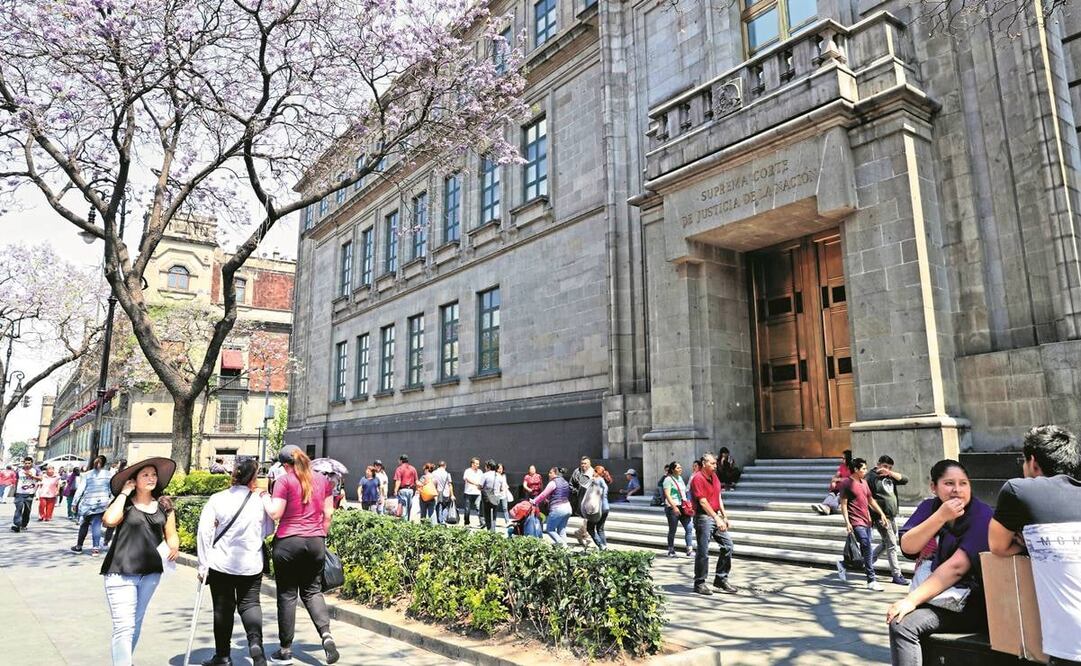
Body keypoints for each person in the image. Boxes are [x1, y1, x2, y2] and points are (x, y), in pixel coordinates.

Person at [989, 425, 1081, 666]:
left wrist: (1029, 545)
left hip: (1070, 644)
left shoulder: (1019, 490)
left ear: (1032, 461)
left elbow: (997, 546)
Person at [886, 459, 993, 666]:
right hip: (939, 596)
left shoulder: (982, 514)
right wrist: (940, 517)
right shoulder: (930, 507)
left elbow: (957, 567)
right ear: (933, 487)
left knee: (903, 624)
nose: (957, 490)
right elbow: (908, 546)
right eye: (949, 483)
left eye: (963, 483)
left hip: (970, 603)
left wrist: (911, 600)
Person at [262, 445, 339, 664]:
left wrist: (264, 497)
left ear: (286, 465)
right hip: (316, 542)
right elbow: (328, 513)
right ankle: (326, 635)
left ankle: (285, 650)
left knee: (287, 595)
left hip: (289, 542)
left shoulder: (284, 481)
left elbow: (275, 512)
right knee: (313, 591)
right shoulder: (323, 480)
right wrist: (321, 536)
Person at [100, 457, 180, 666]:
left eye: (154, 475)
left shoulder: (164, 505)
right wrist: (125, 492)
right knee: (124, 626)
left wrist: (174, 547)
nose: (151, 478)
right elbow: (109, 520)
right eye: (145, 475)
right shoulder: (124, 503)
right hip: (120, 572)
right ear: (134, 480)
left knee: (135, 622)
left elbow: (171, 534)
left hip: (151, 573)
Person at [197, 457, 275, 666]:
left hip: (221, 563)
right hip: (251, 563)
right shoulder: (259, 501)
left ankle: (223, 656)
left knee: (223, 609)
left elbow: (204, 532)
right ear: (253, 477)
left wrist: (203, 564)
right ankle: (255, 644)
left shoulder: (217, 499)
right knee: (250, 604)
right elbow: (269, 530)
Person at [836, 458, 890, 591]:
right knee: (866, 546)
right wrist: (847, 522)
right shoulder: (846, 483)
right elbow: (843, 505)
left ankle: (844, 564)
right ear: (856, 469)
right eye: (864, 469)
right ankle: (871, 580)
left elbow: (870, 500)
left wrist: (881, 514)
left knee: (866, 551)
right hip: (856, 521)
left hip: (867, 521)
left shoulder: (864, 482)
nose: (866, 471)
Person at [689, 453, 737, 596]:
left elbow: (718, 496)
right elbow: (703, 502)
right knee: (703, 551)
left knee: (728, 546)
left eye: (715, 463)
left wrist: (724, 516)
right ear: (704, 464)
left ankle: (721, 579)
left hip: (715, 516)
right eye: (712, 463)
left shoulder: (714, 477)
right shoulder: (697, 478)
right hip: (703, 518)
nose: (715, 466)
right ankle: (699, 583)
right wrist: (716, 518)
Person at [868, 455, 909, 585]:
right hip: (881, 517)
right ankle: (897, 575)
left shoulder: (889, 476)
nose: (887, 469)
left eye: (890, 467)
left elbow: (905, 479)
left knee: (886, 543)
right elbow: (868, 499)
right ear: (878, 464)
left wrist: (890, 473)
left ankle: (867, 562)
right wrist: (876, 515)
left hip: (891, 516)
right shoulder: (871, 477)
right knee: (891, 544)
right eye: (885, 466)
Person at [73, 455, 114, 554]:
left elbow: (80, 489)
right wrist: (110, 501)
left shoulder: (87, 474)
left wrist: (74, 503)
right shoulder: (109, 474)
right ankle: (95, 548)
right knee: (96, 525)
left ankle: (79, 546)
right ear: (105, 464)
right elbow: (111, 490)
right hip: (102, 502)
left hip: (88, 503)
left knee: (84, 524)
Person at [531, 467, 572, 546]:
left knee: (550, 529)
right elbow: (560, 494)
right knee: (562, 530)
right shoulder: (565, 482)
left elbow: (543, 494)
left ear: (555, 473)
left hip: (558, 509)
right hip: (568, 508)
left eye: (550, 473)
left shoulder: (553, 482)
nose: (549, 474)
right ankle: (564, 551)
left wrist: (534, 501)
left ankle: (564, 546)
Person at [662, 461, 695, 558]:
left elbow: (684, 492)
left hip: (683, 506)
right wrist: (674, 507)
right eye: (678, 468)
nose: (680, 469)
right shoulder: (668, 480)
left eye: (680, 467)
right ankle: (671, 549)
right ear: (672, 470)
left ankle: (689, 550)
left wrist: (688, 504)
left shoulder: (680, 478)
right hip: (672, 507)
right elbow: (667, 495)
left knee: (689, 528)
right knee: (673, 529)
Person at [812, 449, 853, 515]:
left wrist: (839, 479)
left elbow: (850, 479)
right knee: (832, 494)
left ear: (848, 458)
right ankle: (824, 506)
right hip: (838, 488)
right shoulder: (842, 466)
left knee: (839, 495)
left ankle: (828, 508)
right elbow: (835, 477)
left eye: (843, 458)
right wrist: (833, 482)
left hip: (846, 490)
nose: (842, 460)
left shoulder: (852, 468)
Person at [9, 457, 40, 532]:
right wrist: (14, 491)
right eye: (26, 463)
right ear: (24, 463)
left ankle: (24, 524)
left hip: (30, 493)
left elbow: (40, 478)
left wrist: (31, 476)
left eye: (29, 463)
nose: (27, 465)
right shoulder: (19, 470)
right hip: (20, 493)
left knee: (27, 509)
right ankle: (17, 524)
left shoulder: (35, 470)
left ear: (31, 463)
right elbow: (16, 480)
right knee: (18, 508)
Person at [585, 465, 611, 550]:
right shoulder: (602, 481)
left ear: (596, 472)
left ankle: (601, 545)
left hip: (597, 508)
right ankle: (604, 547)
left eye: (593, 471)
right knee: (600, 528)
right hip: (606, 508)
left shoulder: (596, 480)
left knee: (590, 528)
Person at [479, 459, 503, 532]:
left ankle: (489, 530)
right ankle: (493, 530)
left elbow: (480, 486)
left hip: (487, 497)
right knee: (494, 515)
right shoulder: (499, 476)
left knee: (487, 514)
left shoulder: (485, 475)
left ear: (488, 467)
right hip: (496, 497)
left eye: (485, 466)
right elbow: (502, 488)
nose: (485, 468)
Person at [392, 454, 417, 520]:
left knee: (404, 508)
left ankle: (404, 523)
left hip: (403, 490)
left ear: (401, 461)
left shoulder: (399, 469)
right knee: (409, 508)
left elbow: (398, 481)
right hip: (411, 490)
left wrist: (395, 490)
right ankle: (408, 521)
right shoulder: (413, 468)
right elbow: (416, 481)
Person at [461, 457, 483, 527]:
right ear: (472, 464)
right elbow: (466, 479)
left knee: (479, 507)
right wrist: (475, 483)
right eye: (476, 464)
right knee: (467, 509)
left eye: (478, 464)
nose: (478, 465)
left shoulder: (480, 471)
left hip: (477, 493)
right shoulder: (467, 471)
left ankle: (482, 522)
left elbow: (482, 480)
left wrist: (481, 486)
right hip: (468, 493)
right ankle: (466, 523)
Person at [431, 460, 454, 525]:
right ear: (445, 466)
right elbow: (450, 485)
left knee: (439, 506)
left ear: (438, 466)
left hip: (437, 492)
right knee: (445, 507)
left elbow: (433, 483)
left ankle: (440, 521)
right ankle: (443, 520)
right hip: (446, 493)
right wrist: (452, 494)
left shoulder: (434, 473)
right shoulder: (447, 474)